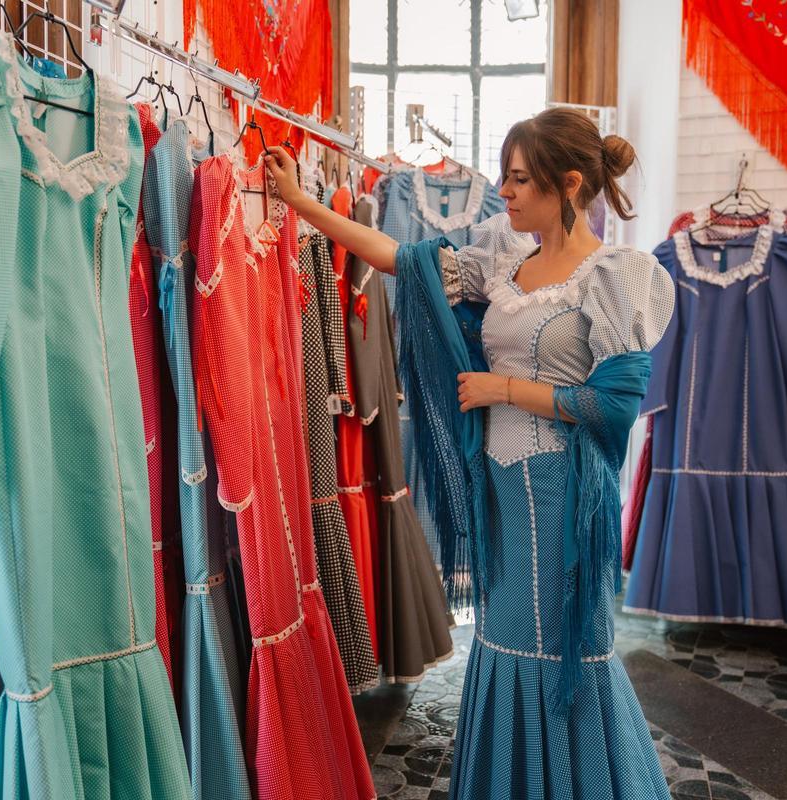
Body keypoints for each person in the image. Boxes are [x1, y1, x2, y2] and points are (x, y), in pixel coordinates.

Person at [266, 107, 675, 799]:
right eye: (505, 179)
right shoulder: (504, 256)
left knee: (551, 647)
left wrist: (502, 387)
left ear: (569, 183)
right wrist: (303, 204)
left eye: (519, 180)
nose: (505, 193)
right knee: (508, 642)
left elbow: (613, 406)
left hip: (561, 496)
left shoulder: (617, 275)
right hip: (502, 494)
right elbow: (404, 259)